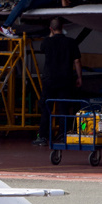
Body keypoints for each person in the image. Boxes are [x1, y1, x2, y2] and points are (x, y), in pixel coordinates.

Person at [34, 17, 83, 145]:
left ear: (51, 29)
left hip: (49, 79)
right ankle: (63, 135)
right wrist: (79, 77)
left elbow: (42, 49)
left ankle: (43, 136)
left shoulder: (47, 42)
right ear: (63, 28)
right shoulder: (71, 42)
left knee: (46, 108)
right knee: (64, 108)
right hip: (66, 79)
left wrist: (50, 34)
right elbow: (77, 61)